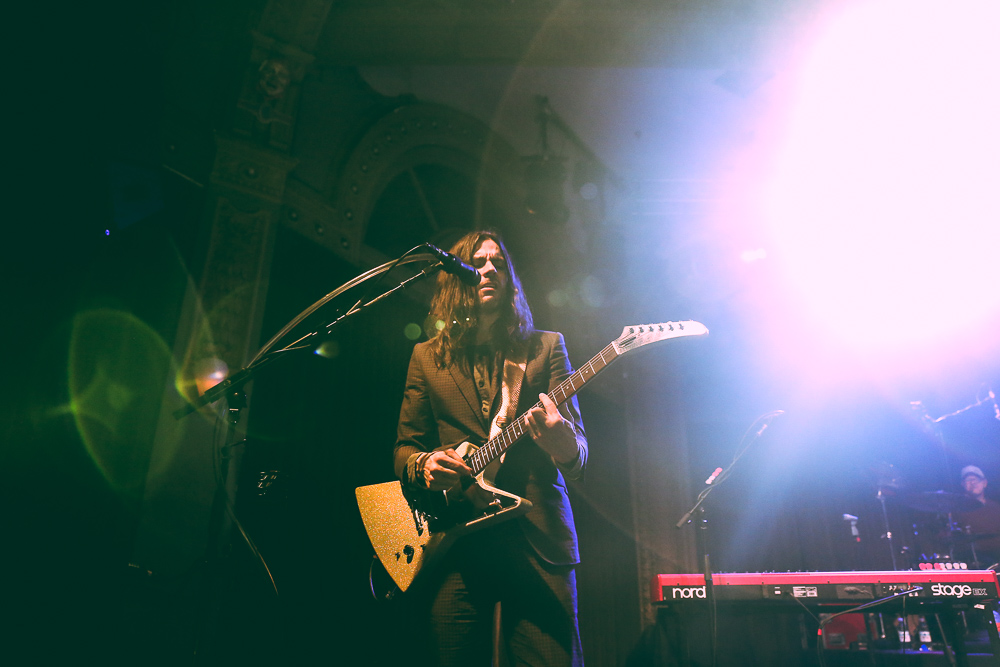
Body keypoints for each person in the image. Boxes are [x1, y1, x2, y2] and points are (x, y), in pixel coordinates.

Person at [393, 230, 587, 666]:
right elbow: (405, 448)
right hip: (456, 540)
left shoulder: (544, 347)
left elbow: (579, 455)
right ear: (455, 278)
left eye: (498, 263)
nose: (489, 270)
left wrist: (562, 444)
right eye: (477, 262)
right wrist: (425, 464)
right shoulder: (426, 357)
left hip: (537, 538)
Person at [953, 465, 1000, 567]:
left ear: (985, 483)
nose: (973, 483)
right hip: (970, 561)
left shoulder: (996, 508)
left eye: (976, 480)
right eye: (968, 480)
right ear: (963, 484)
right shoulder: (956, 510)